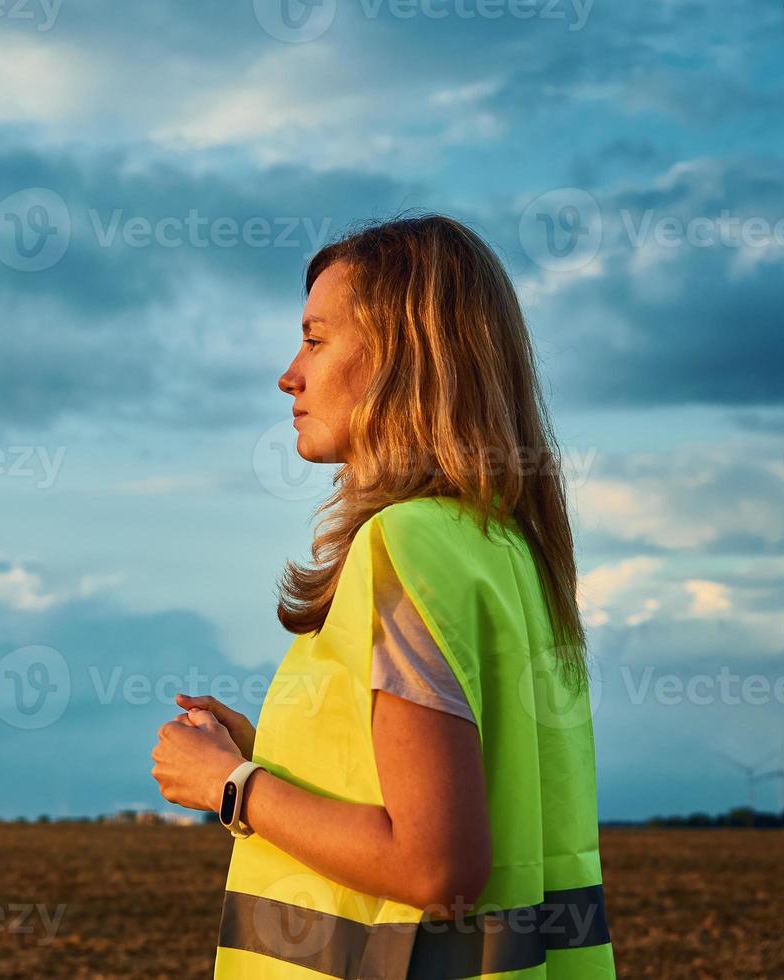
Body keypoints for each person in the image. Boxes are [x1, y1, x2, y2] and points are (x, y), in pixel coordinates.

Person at [149, 214, 615, 978]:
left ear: (405, 358)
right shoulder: (505, 552)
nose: (288, 374)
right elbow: (445, 793)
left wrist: (228, 786)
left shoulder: (407, 546)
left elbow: (435, 867)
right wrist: (268, 756)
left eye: (316, 337)